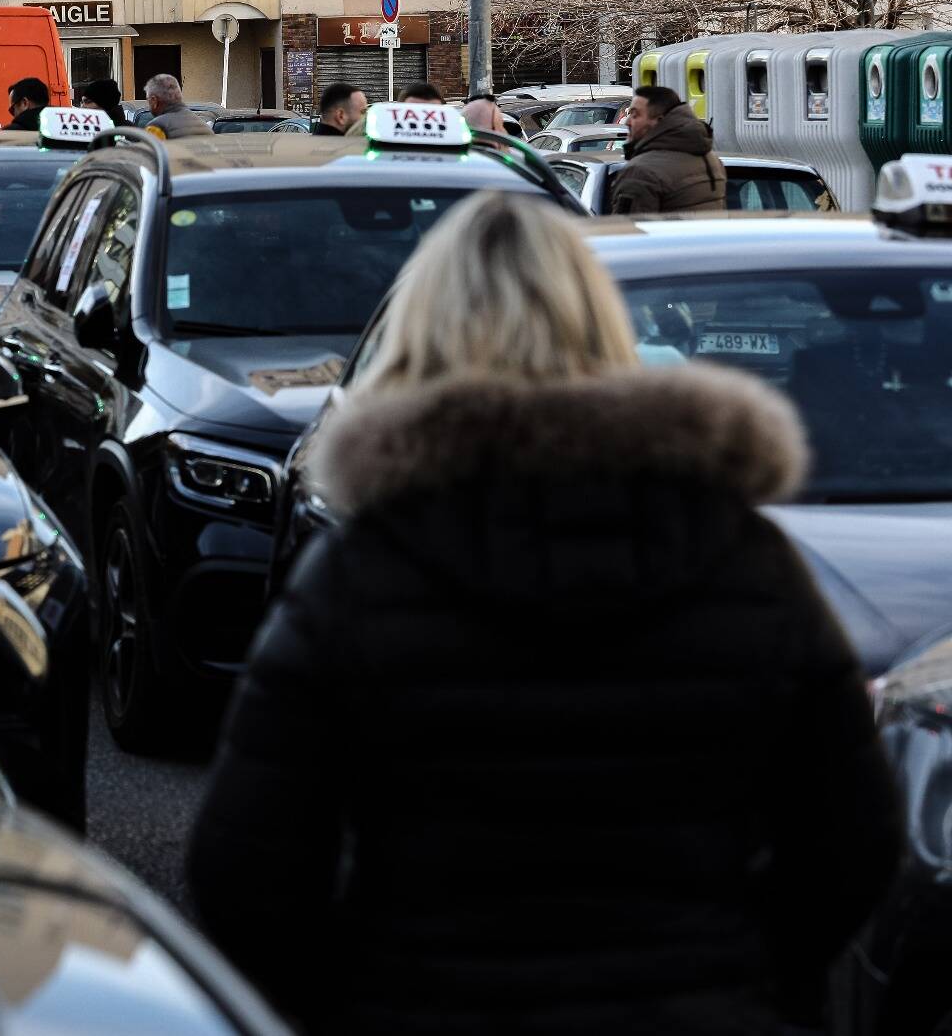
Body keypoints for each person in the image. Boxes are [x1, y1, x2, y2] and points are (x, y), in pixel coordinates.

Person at [187, 192, 901, 1036]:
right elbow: (854, 834)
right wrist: (752, 976)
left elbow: (243, 872)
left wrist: (362, 994)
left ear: (418, 338)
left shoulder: (361, 573)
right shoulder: (741, 556)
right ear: (604, 329)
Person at [614, 84, 725, 213]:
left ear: (659, 121)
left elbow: (627, 229)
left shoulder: (641, 171)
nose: (627, 122)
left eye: (635, 115)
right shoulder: (712, 160)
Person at [142, 73, 212, 140]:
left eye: (148, 99)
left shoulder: (157, 127)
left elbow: (147, 151)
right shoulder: (205, 127)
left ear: (154, 100)